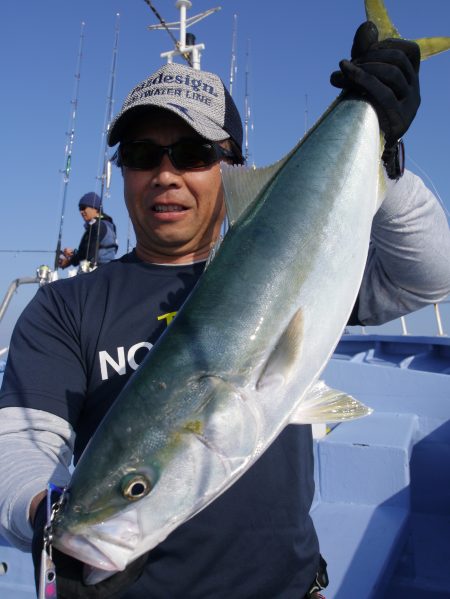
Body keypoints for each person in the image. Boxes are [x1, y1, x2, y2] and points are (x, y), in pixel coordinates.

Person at [0, 22, 450, 599]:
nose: (165, 174)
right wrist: (48, 519)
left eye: (192, 152)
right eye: (141, 154)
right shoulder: (66, 306)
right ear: (123, 171)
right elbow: (20, 447)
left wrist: (381, 149)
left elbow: (430, 275)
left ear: (230, 166)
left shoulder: (293, 261)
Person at [59, 192, 118, 270]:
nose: (81, 211)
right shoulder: (107, 225)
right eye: (80, 209)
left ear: (95, 208)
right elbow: (90, 249)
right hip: (105, 270)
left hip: (97, 272)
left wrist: (69, 261)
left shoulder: (98, 225)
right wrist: (74, 253)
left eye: (83, 207)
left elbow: (88, 254)